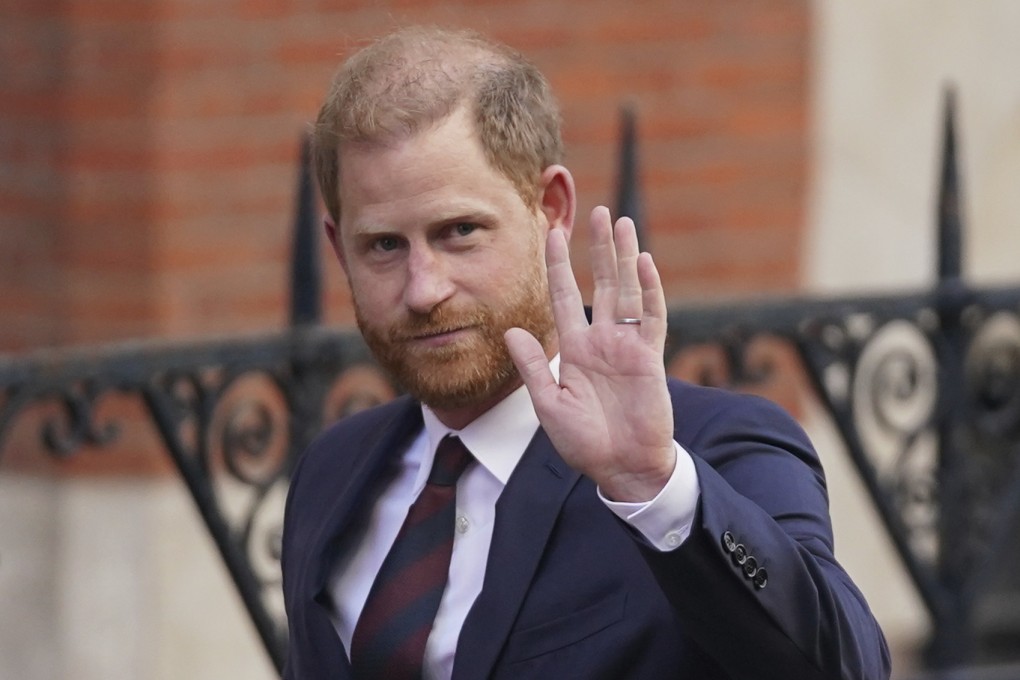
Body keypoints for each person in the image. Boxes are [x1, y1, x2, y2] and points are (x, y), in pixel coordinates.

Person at [281, 25, 891, 680]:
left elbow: (846, 668)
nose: (424, 290)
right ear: (338, 247)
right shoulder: (332, 470)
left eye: (460, 232)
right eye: (383, 246)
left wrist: (653, 487)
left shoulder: (712, 448)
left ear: (551, 208)